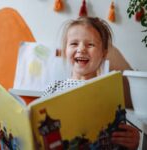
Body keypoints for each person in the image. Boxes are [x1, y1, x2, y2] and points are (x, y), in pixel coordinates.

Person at [43, 16, 140, 149]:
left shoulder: (110, 93)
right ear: (65, 50)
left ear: (104, 53)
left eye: (90, 44)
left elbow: (117, 138)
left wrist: (132, 143)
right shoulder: (52, 89)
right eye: (74, 44)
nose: (81, 49)